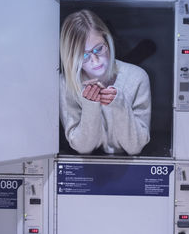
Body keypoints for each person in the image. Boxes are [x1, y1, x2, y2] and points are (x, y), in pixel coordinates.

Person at [59, 10, 151, 155]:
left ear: (108, 41)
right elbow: (83, 148)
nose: (95, 61)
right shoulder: (67, 83)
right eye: (84, 55)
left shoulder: (137, 77)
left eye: (99, 49)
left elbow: (135, 147)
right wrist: (90, 105)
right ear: (71, 57)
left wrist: (120, 104)